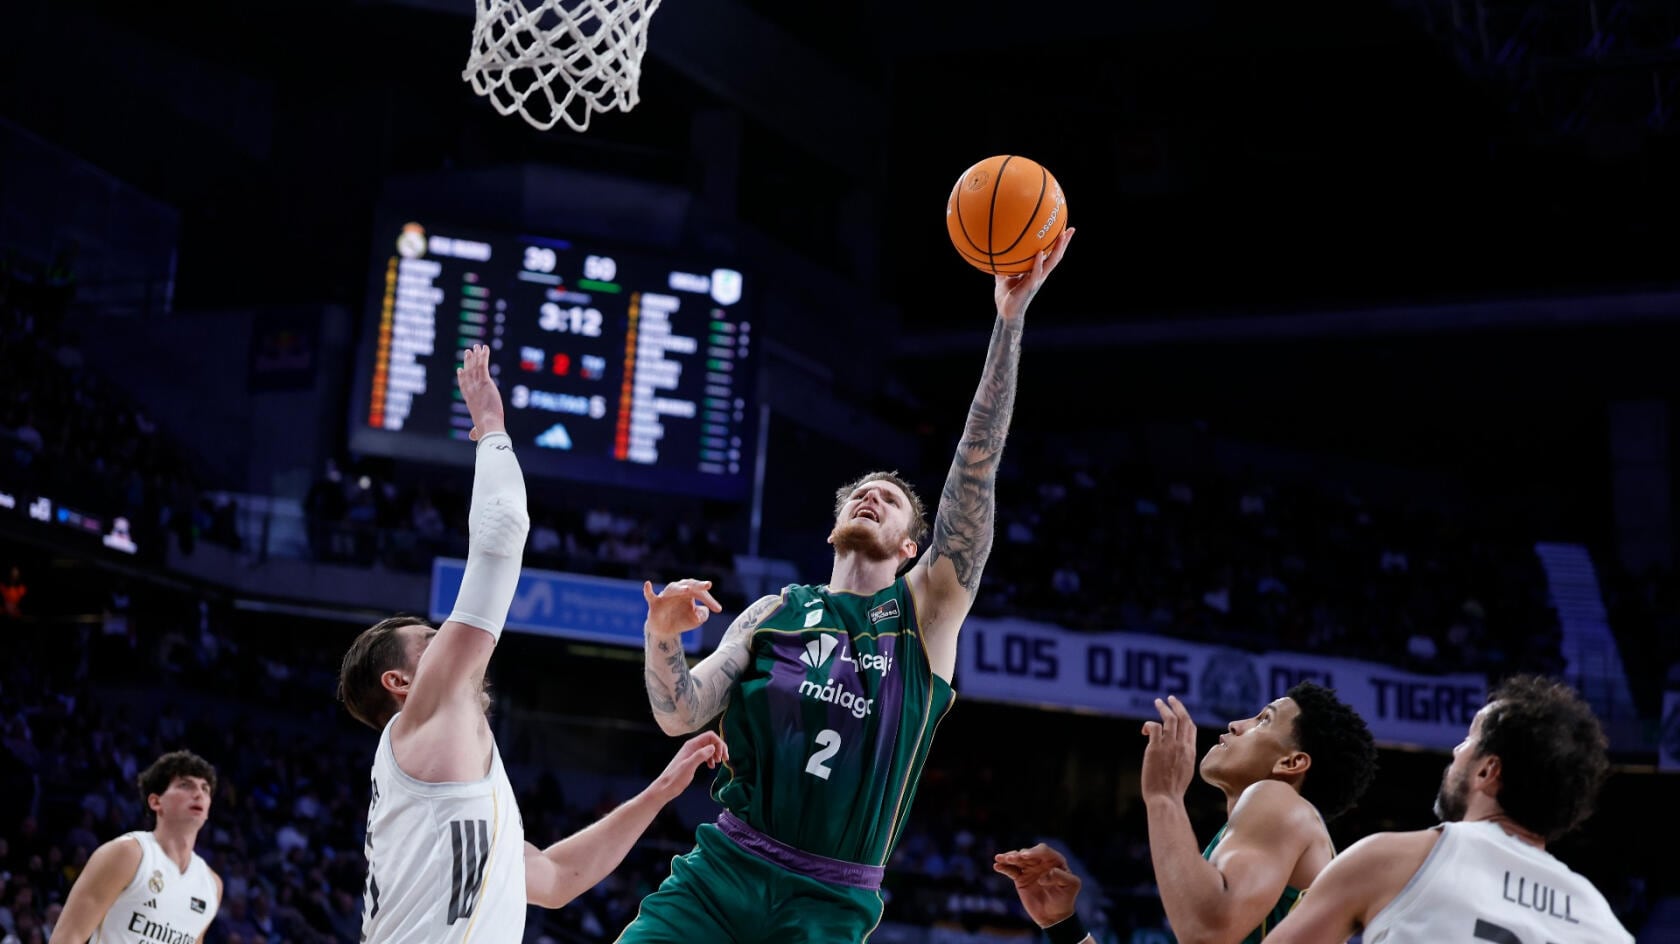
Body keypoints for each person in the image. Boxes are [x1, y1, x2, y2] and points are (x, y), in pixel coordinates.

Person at [623, 228, 1077, 942]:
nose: (870, 495)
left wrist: (1008, 323)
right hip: (722, 873)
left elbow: (976, 469)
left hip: (830, 900)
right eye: (859, 492)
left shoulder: (925, 613)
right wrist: (660, 639)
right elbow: (680, 713)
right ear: (834, 525)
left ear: (911, 546)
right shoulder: (776, 612)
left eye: (889, 498)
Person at [337, 345, 728, 943]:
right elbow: (501, 535)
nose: (448, 639)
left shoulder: (451, 779)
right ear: (400, 683)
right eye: (429, 639)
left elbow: (554, 876)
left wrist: (663, 788)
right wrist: (491, 428)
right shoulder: (426, 720)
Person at [994, 684, 1378, 944]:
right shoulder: (1255, 839)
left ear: (1292, 762)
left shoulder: (1278, 800)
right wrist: (1063, 925)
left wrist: (1163, 796)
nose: (1236, 724)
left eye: (1263, 720)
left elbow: (1207, 931)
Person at [1262, 675, 1633, 943]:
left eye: (1469, 738)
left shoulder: (1395, 860)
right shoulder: (1602, 922)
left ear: (1488, 770)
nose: (1456, 751)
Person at [50, 750, 222, 944]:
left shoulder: (211, 884)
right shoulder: (126, 854)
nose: (199, 794)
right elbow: (67, 938)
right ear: (156, 802)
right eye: (185, 785)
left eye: (205, 789)